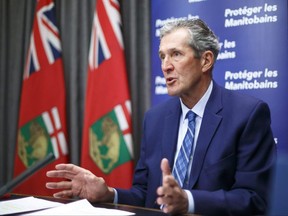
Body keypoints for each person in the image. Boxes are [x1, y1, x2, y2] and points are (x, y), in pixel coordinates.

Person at [46, 18, 276, 215]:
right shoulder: (155, 118)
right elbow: (145, 194)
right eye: (162, 56)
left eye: (176, 54)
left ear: (206, 60)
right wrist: (109, 194)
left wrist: (188, 201)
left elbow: (253, 199)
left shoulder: (247, 114)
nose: (165, 66)